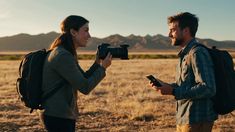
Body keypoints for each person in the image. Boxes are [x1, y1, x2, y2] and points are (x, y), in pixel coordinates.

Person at [40, 15, 112, 132]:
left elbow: (83, 77)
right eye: (86, 30)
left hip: (60, 114)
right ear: (73, 32)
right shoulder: (63, 55)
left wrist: (97, 62)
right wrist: (102, 68)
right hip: (57, 116)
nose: (89, 35)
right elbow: (85, 87)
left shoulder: (65, 52)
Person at [150, 12, 218, 132]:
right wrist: (166, 86)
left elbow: (208, 88)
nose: (169, 34)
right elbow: (186, 85)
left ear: (186, 31)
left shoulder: (197, 53)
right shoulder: (185, 54)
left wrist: (174, 91)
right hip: (185, 117)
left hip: (197, 119)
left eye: (173, 30)